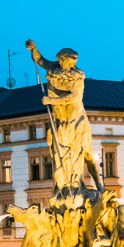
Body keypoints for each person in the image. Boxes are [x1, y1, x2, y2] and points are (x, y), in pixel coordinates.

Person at [26, 40, 103, 194]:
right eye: (60, 60)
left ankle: (99, 186)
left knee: (87, 153)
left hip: (76, 120)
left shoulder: (77, 77)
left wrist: (51, 100)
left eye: (63, 60)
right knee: (58, 154)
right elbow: (40, 60)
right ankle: (64, 187)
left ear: (70, 62)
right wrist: (33, 49)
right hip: (59, 120)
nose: (60, 62)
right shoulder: (55, 68)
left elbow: (74, 97)